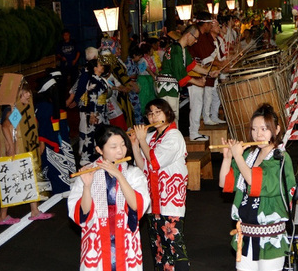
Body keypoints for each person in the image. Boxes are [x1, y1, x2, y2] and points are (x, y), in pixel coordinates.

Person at [219, 103, 296, 269]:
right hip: (246, 234)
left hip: (271, 238)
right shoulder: (249, 155)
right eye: (254, 129)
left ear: (276, 129)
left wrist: (238, 157)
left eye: (264, 129)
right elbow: (224, 183)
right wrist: (227, 158)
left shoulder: (280, 158)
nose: (258, 134)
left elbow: (255, 183)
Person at [67, 125, 150, 271]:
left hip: (125, 237)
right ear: (99, 150)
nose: (120, 150)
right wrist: (87, 185)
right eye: (113, 146)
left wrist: (119, 175)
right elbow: (83, 214)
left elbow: (136, 206)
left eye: (123, 145)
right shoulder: (88, 171)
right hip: (97, 238)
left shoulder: (133, 173)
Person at [131, 99, 190, 270]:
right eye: (150, 113)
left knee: (175, 245)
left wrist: (142, 141)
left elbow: (155, 162)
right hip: (154, 198)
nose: (154, 116)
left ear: (167, 113)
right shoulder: (150, 137)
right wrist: (136, 144)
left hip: (171, 199)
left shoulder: (174, 136)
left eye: (158, 112)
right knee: (158, 247)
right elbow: (144, 166)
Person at [0, 84, 54, 225]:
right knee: (11, 183)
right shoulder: (17, 111)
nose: (28, 95)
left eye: (29, 92)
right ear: (18, 95)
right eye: (25, 93)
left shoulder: (25, 110)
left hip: (25, 152)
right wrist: (10, 146)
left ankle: (34, 211)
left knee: (28, 181)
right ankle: (2, 216)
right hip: (18, 152)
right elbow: (5, 127)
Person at [35, 75, 76, 195]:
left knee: (57, 164)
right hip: (49, 140)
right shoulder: (45, 106)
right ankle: (60, 189)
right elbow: (42, 126)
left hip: (55, 138)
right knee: (55, 166)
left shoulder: (47, 104)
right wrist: (42, 141)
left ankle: (62, 187)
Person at [67, 57, 111, 166]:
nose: (102, 66)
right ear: (95, 68)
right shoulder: (93, 80)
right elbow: (92, 98)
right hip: (94, 112)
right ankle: (86, 158)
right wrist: (92, 113)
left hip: (100, 111)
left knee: (96, 133)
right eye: (100, 65)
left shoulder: (99, 79)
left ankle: (95, 154)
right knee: (90, 134)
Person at [158, 25, 201, 121]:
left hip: (170, 86)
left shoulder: (182, 49)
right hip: (168, 87)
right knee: (170, 117)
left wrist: (208, 72)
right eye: (195, 38)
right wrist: (198, 82)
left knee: (171, 116)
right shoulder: (176, 50)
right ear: (189, 35)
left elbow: (191, 65)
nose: (196, 41)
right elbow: (180, 73)